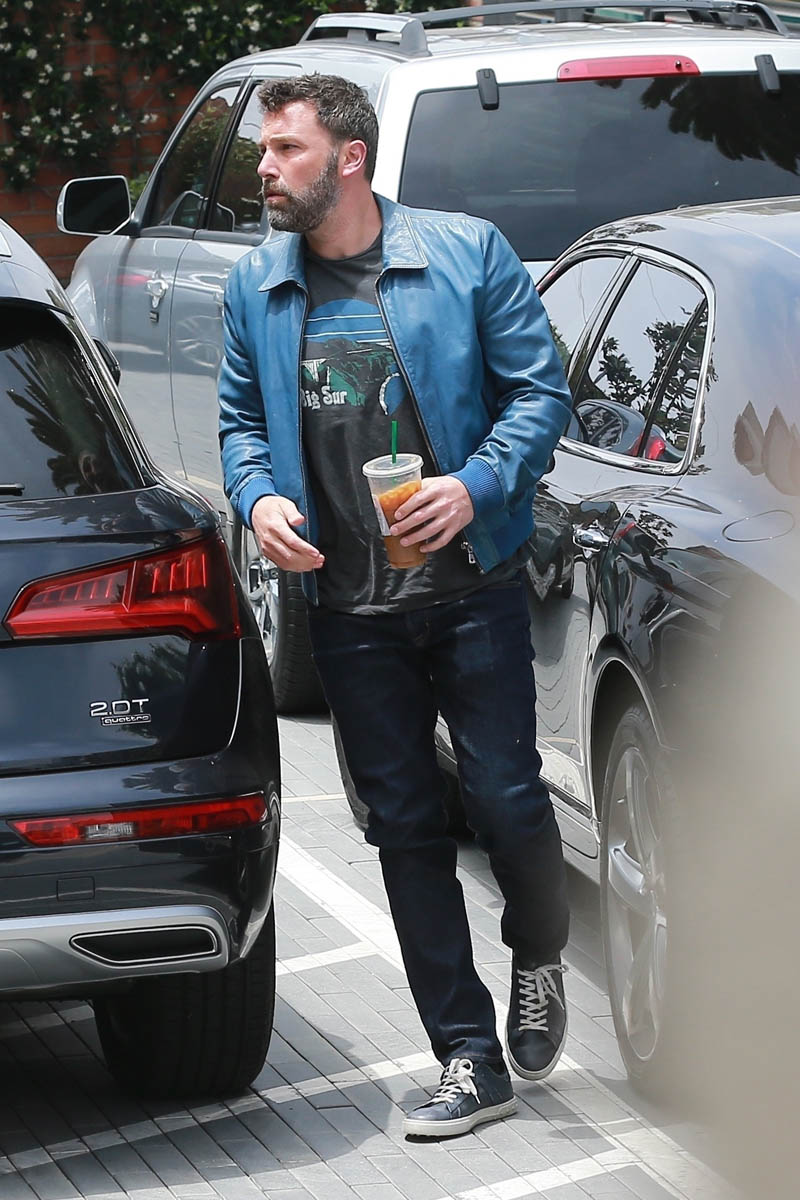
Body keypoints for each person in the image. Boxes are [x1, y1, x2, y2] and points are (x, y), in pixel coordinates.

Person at [219, 73, 572, 1138]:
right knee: (405, 829)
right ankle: (468, 1058)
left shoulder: (464, 253)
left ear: (350, 158)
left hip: (471, 586)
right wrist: (258, 496)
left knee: (506, 798)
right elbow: (241, 423)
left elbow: (540, 393)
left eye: (285, 149)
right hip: (348, 609)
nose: (265, 168)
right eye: (265, 150)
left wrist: (476, 486)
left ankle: (539, 949)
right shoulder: (256, 285)